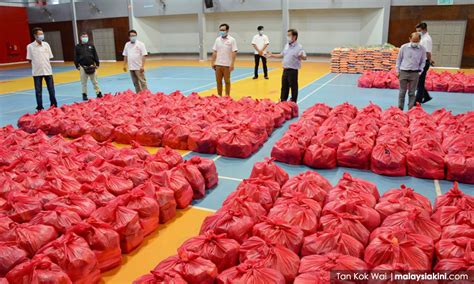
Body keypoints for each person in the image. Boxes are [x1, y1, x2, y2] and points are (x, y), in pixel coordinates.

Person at [267, 29, 306, 103]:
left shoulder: (299, 47)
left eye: (289, 35)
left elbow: (305, 57)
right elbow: (281, 55)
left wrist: (301, 56)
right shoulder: (286, 46)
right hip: (285, 70)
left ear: (294, 37)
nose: (287, 37)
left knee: (293, 88)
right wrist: (272, 55)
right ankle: (283, 102)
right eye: (287, 35)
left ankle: (293, 103)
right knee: (284, 87)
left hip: (293, 71)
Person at [26, 27, 57, 111]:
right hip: (37, 72)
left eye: (42, 34)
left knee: (51, 89)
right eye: (39, 34)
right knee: (38, 91)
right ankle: (40, 107)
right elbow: (29, 59)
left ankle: (54, 105)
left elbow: (49, 57)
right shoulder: (30, 47)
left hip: (48, 71)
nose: (41, 35)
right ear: (35, 35)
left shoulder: (46, 45)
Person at [395, 32, 426, 111]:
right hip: (403, 71)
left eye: (416, 41)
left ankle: (411, 110)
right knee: (402, 92)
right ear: (410, 39)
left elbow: (423, 61)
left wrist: (420, 71)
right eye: (413, 41)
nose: (415, 43)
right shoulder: (403, 47)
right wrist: (397, 70)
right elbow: (399, 59)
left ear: (419, 40)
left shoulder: (422, 49)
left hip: (415, 73)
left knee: (412, 93)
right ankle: (400, 109)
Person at [74, 32, 102, 101]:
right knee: (83, 82)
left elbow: (95, 54)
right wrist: (77, 65)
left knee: (95, 81)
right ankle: (84, 94)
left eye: (86, 36)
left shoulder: (91, 45)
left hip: (92, 66)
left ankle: (98, 93)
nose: (85, 38)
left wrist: (97, 64)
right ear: (81, 38)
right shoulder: (77, 47)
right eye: (83, 36)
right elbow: (75, 57)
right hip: (83, 67)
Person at [211, 23, 238, 96]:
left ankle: (227, 96)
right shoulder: (217, 40)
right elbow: (214, 51)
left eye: (223, 30)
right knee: (218, 81)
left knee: (227, 81)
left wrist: (232, 64)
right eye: (220, 30)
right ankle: (219, 96)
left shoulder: (232, 40)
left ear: (227, 30)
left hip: (227, 65)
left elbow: (234, 52)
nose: (221, 31)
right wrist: (213, 62)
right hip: (218, 64)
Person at [415, 22, 434, 104]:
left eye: (419, 30)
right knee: (419, 81)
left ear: (424, 29)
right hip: (421, 61)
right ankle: (426, 96)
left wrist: (429, 61)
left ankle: (417, 101)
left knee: (420, 83)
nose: (418, 32)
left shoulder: (426, 39)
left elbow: (427, 52)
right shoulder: (422, 38)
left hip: (423, 62)